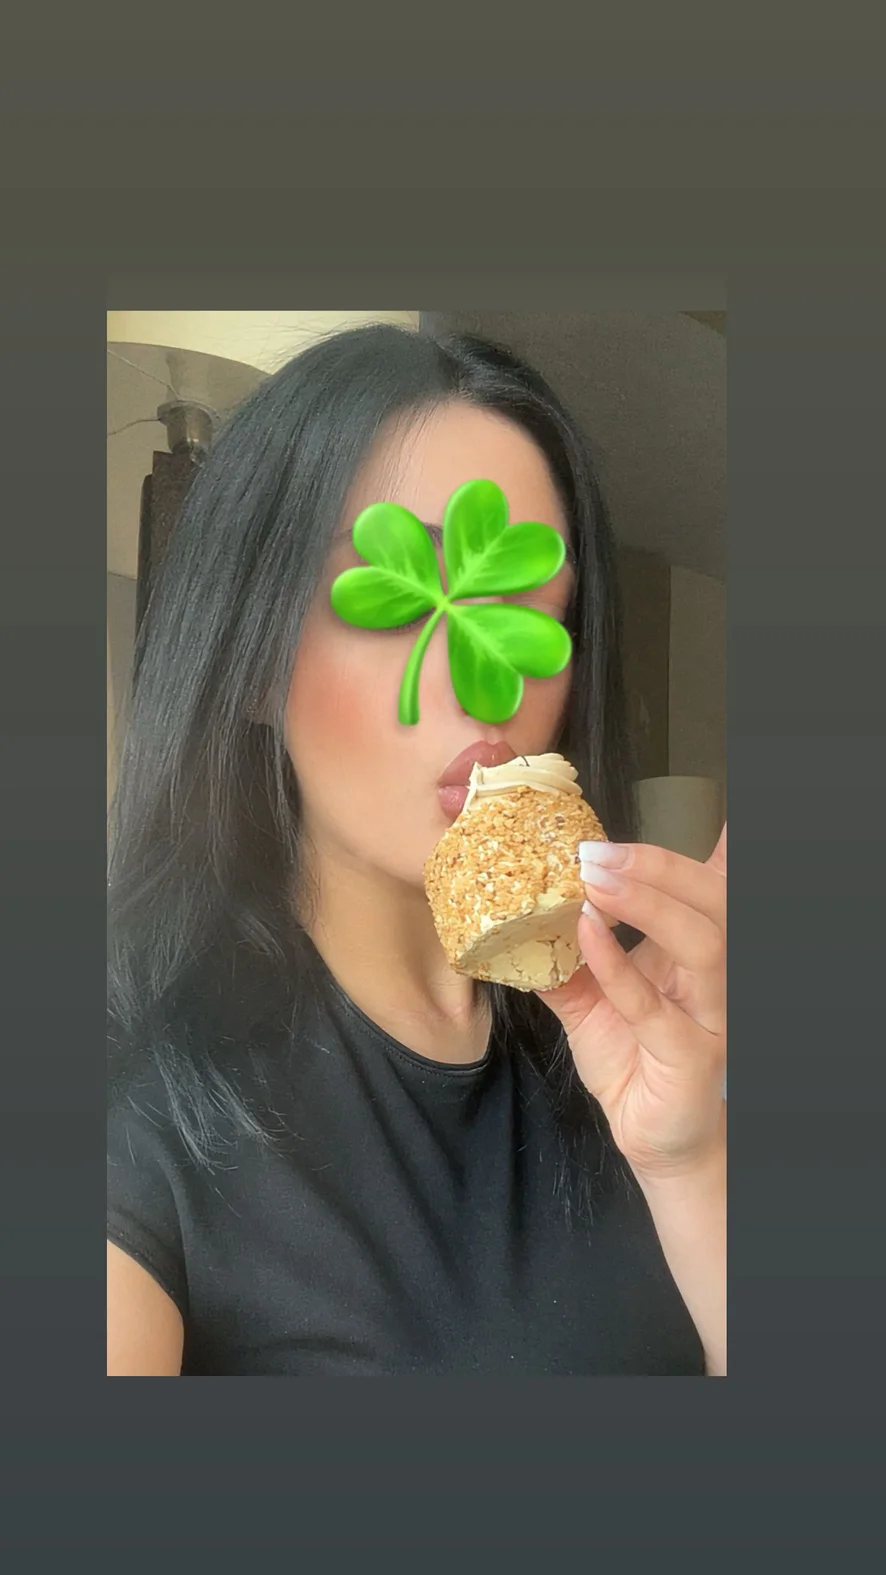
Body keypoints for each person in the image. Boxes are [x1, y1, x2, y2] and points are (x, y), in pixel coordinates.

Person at [107, 323, 726, 1377]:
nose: (487, 683)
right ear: (253, 661)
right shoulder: (133, 1097)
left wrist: (693, 1160)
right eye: (398, 597)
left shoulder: (637, 1045)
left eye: (525, 606)